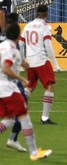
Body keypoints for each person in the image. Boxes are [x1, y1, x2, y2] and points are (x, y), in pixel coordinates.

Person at [0, 23, 52, 161]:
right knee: (24, 118)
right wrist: (21, 78)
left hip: (1, 89)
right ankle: (34, 152)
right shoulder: (12, 49)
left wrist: (22, 63)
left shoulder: (2, 45)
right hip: (8, 90)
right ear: (18, 35)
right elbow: (6, 68)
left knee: (10, 119)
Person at [19, 5, 61, 125]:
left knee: (30, 86)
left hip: (30, 61)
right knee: (49, 86)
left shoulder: (27, 25)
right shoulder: (46, 26)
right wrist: (56, 63)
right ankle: (44, 118)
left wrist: (22, 60)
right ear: (46, 14)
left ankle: (13, 109)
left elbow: (21, 45)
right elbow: (48, 45)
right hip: (41, 60)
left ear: (36, 13)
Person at [4, 13, 29, 152]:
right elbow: (8, 66)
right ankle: (13, 139)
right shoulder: (13, 43)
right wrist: (22, 78)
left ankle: (13, 139)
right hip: (10, 83)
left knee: (11, 117)